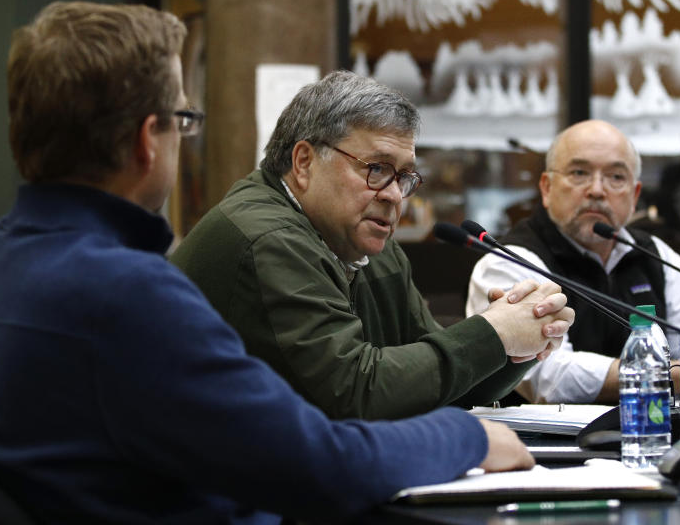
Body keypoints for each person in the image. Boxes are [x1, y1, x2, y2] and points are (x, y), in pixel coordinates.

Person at [0, 1, 540, 525]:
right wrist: (465, 437)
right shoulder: (128, 293)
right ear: (150, 139)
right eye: (183, 119)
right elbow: (319, 465)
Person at [171, 70, 574, 420]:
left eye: (405, 177)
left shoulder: (364, 240)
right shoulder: (267, 239)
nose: (395, 195)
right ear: (304, 162)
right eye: (378, 170)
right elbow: (352, 393)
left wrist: (513, 345)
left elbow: (436, 383)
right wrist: (492, 334)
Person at [466, 120, 680, 404]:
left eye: (616, 177)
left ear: (634, 195)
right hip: (540, 445)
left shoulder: (657, 256)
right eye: (579, 173)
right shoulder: (512, 261)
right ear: (547, 187)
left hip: (652, 435)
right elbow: (547, 378)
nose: (597, 190)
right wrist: (663, 374)